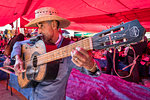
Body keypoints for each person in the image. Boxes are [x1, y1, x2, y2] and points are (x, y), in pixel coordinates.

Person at [11, 7, 101, 100]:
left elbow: (96, 72)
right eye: (38, 27)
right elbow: (18, 44)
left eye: (41, 26)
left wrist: (90, 66)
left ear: (54, 25)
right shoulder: (37, 41)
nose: (39, 31)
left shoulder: (70, 48)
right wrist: (17, 58)